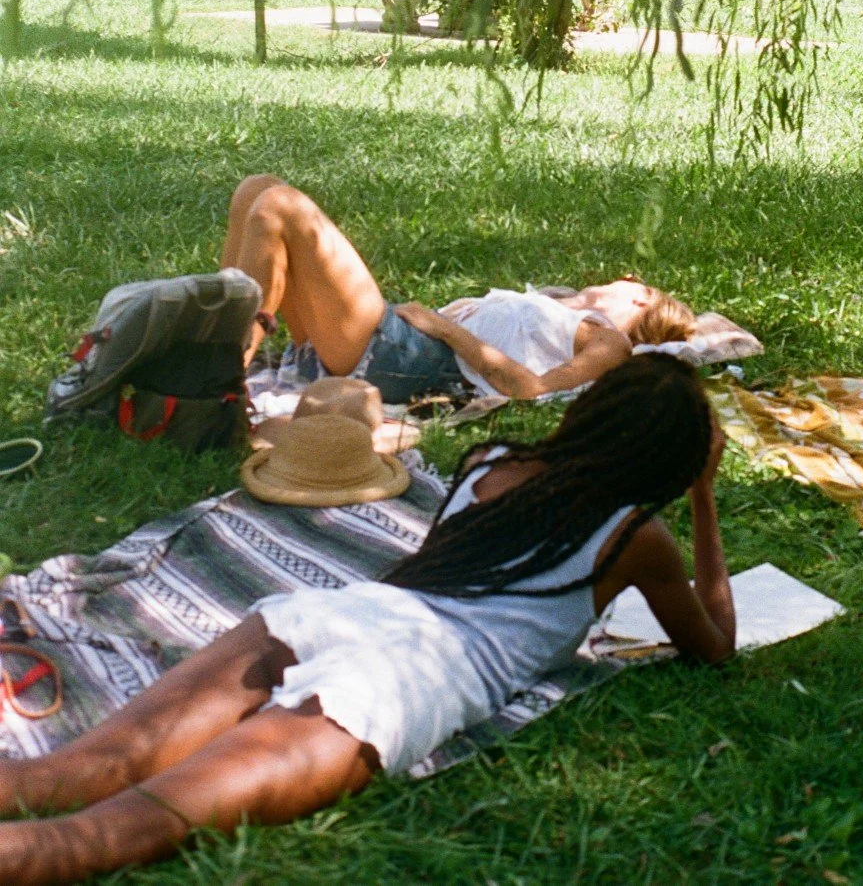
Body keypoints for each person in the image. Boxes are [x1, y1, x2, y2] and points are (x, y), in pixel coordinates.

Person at [0, 355, 734, 885]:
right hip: (402, 681)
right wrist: (704, 497)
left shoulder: (488, 458)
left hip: (338, 613)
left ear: (588, 412)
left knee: (72, 773)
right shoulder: (638, 540)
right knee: (113, 833)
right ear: (664, 463)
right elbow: (716, 644)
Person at [224, 174, 696, 401]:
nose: (623, 277)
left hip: (412, 356)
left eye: (634, 281)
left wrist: (446, 330)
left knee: (277, 205)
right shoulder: (562, 306)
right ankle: (213, 346)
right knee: (256, 190)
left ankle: (219, 381)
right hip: (398, 341)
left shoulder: (610, 341)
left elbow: (531, 389)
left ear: (641, 296)